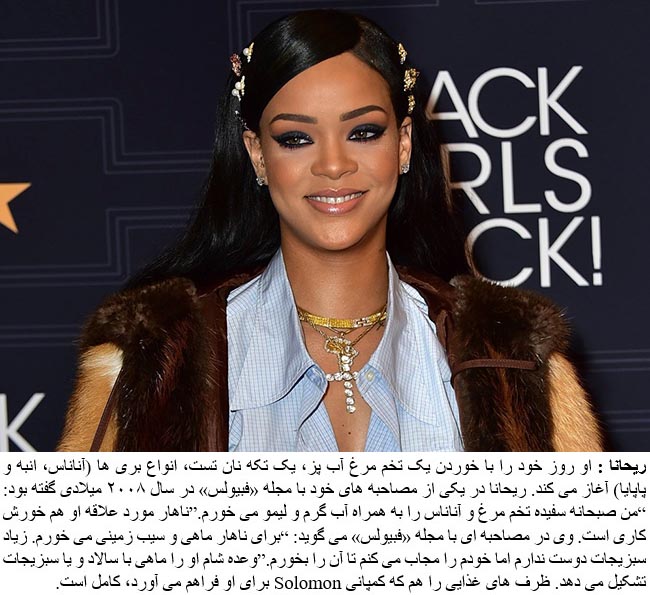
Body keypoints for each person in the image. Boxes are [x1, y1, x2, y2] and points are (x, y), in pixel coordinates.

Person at [58, 9, 602, 452]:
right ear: (257, 154)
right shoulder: (151, 360)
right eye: (296, 138)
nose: (334, 165)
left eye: (363, 131)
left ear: (404, 143)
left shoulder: (516, 360)